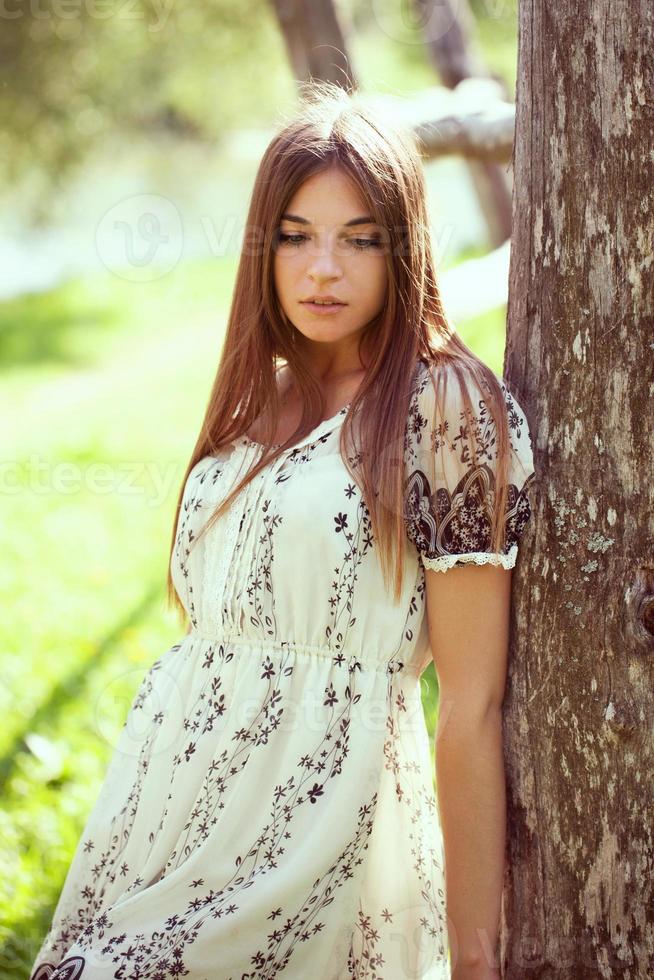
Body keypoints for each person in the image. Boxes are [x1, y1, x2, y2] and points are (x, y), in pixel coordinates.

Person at [30, 80, 536, 980]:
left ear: (404, 247)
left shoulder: (446, 407)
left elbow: (470, 705)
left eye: (359, 241)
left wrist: (477, 955)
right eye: (296, 238)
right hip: (163, 823)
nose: (322, 272)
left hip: (312, 838)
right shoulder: (261, 392)